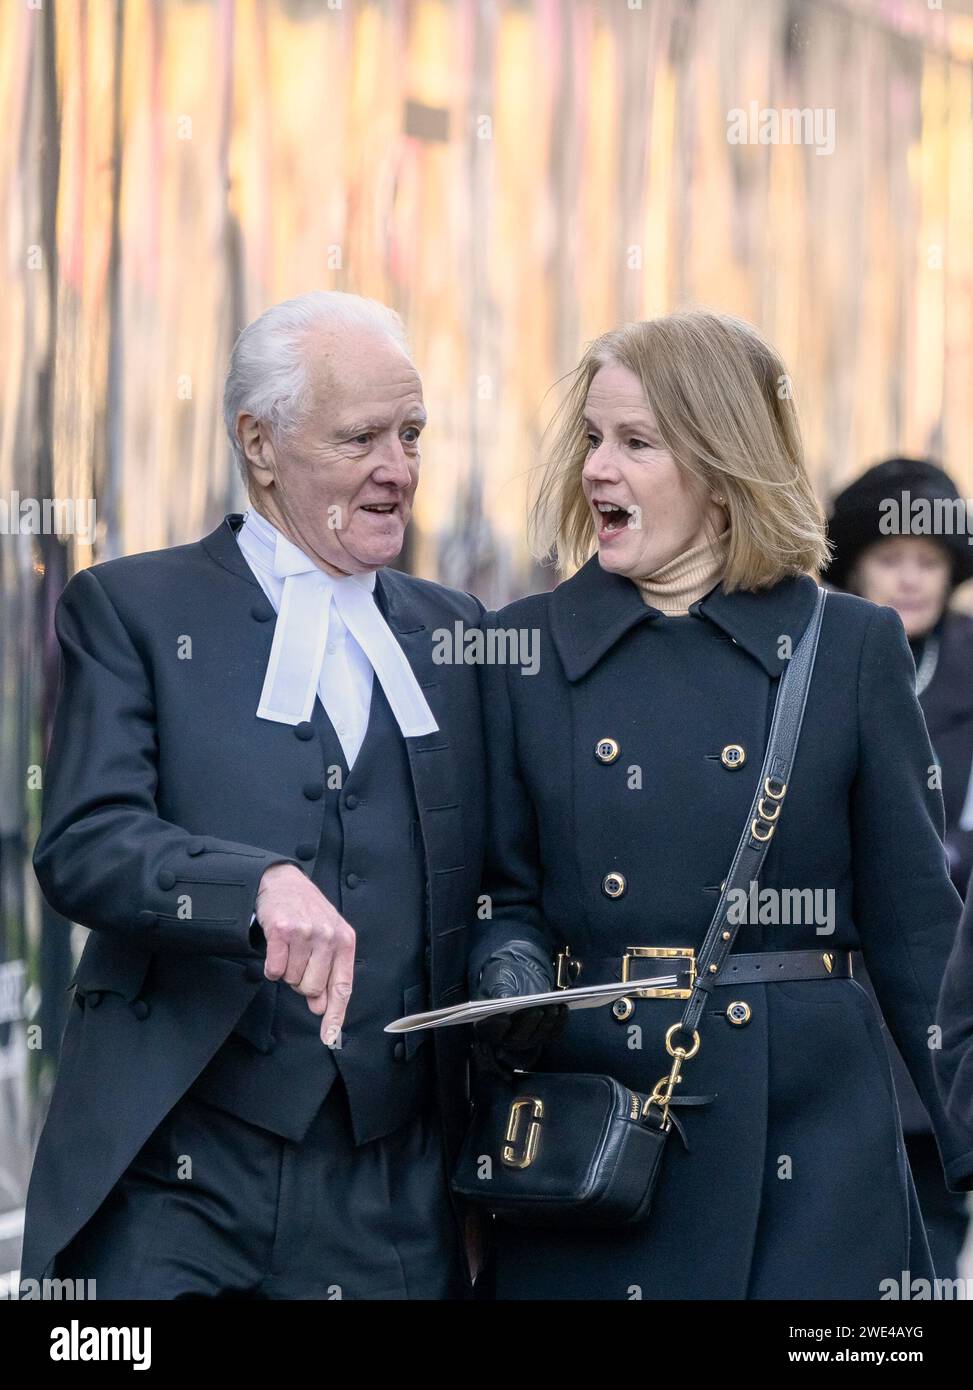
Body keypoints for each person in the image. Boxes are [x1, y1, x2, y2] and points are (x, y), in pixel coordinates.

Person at [470, 309, 971, 1300]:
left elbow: (920, 934)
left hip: (813, 1143)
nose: (596, 470)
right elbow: (498, 892)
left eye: (635, 443)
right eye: (592, 439)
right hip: (601, 1137)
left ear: (721, 459)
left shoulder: (849, 646)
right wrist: (509, 965)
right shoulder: (520, 648)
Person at [20, 291, 485, 1299]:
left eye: (410, 434)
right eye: (361, 436)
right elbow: (85, 842)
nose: (397, 468)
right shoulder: (131, 607)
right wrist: (251, 884)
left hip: (391, 1184)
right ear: (259, 443)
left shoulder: (458, 634)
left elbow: (505, 876)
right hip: (179, 1168)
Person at [827, 457, 973, 1279]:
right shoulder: (814, 660)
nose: (911, 578)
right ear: (852, 563)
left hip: (945, 992)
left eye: (930, 559)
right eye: (891, 558)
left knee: (930, 1243)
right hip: (839, 1001)